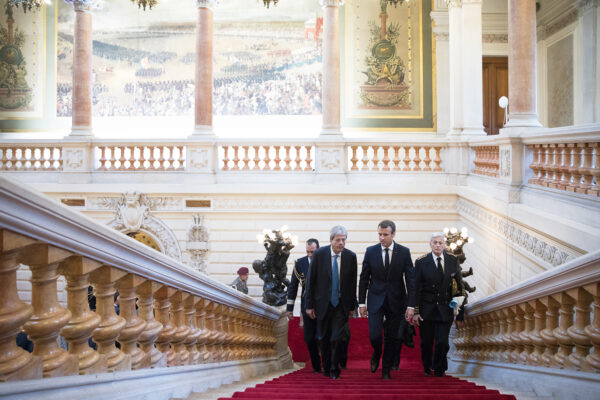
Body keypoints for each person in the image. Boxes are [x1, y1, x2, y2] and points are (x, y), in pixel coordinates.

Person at [358, 220, 415, 380]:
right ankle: (377, 353)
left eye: (385, 234)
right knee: (375, 336)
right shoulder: (371, 251)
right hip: (375, 299)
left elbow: (411, 280)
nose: (381, 238)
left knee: (392, 337)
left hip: (397, 300)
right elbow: (364, 279)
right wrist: (361, 303)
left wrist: (411, 305)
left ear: (393, 234)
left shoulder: (404, 252)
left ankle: (386, 369)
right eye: (379, 234)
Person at [306, 225, 357, 379]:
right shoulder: (319, 254)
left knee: (336, 338)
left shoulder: (350, 256)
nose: (341, 243)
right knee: (323, 338)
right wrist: (309, 306)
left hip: (341, 305)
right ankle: (326, 368)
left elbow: (352, 283)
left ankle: (335, 370)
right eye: (338, 240)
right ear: (331, 240)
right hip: (323, 304)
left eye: (344, 240)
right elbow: (311, 281)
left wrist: (352, 306)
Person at [413, 232, 464, 377]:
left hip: (445, 309)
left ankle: (438, 366)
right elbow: (416, 289)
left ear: (444, 245)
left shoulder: (452, 260)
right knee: (426, 343)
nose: (437, 245)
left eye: (440, 243)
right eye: (434, 242)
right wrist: (416, 311)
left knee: (442, 342)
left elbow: (459, 287)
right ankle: (427, 366)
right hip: (426, 309)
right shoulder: (421, 262)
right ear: (430, 244)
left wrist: (460, 314)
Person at [286, 238, 322, 373]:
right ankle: (317, 365)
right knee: (309, 338)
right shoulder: (299, 263)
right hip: (306, 305)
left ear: (318, 249)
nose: (310, 255)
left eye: (313, 251)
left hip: (323, 305)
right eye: (308, 252)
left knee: (321, 336)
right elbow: (293, 287)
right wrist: (289, 308)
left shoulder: (325, 260)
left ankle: (326, 361)